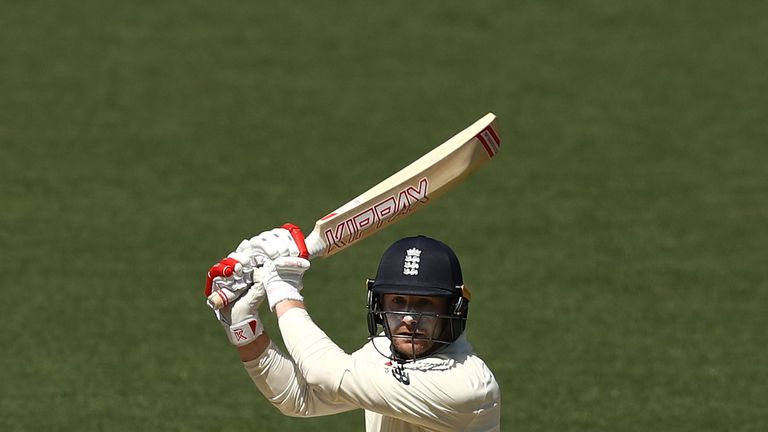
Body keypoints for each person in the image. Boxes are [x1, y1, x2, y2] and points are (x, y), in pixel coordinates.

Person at [205, 225, 500, 431]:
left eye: (425, 304)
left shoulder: (467, 386)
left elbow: (326, 373)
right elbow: (299, 398)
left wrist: (284, 291)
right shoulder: (383, 352)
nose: (409, 317)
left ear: (453, 309)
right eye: (398, 301)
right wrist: (244, 326)